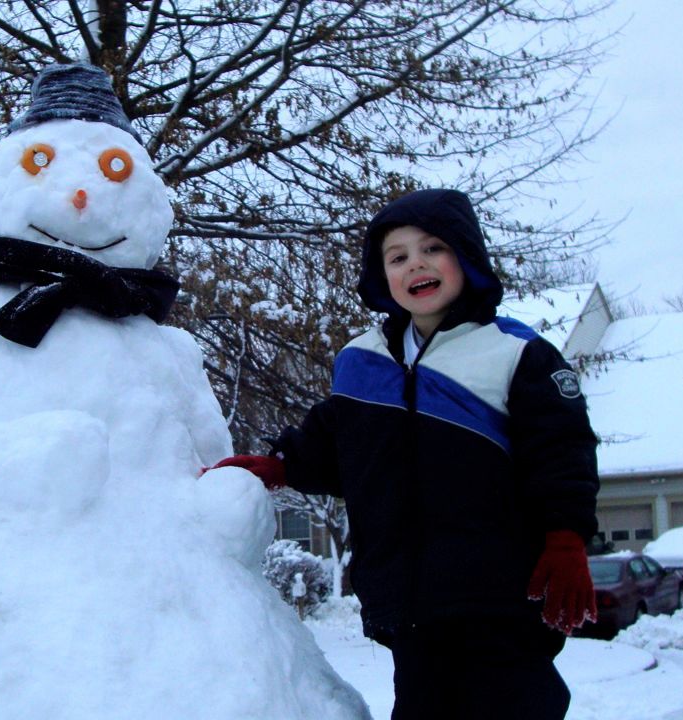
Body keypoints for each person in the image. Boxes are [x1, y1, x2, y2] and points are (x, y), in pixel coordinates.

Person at [213, 188, 600, 719]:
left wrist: (565, 536)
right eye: (397, 257)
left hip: (498, 598)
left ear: (466, 256)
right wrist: (282, 465)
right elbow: (338, 440)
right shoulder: (363, 360)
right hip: (407, 602)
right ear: (383, 277)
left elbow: (563, 452)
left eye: (433, 248)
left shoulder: (514, 354)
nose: (415, 264)